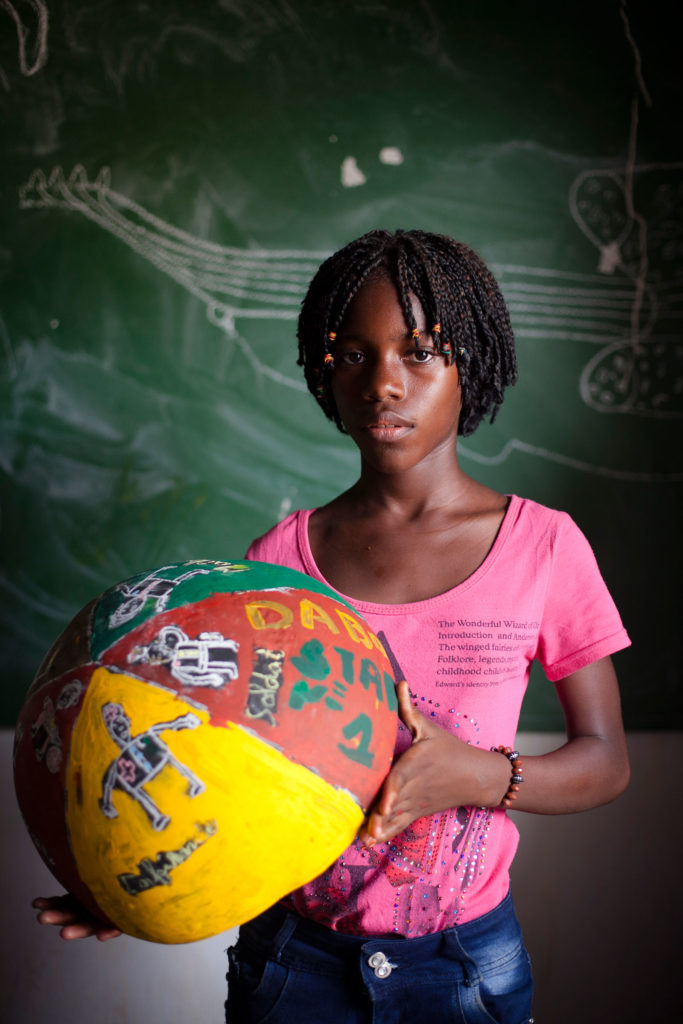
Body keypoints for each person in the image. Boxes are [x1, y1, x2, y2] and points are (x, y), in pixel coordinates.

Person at [34, 229, 631, 1023]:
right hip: (291, 962)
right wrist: (145, 882)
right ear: (326, 373)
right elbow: (233, 770)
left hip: (459, 968)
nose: (384, 383)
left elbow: (606, 763)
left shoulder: (541, 546)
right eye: (353, 355)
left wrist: (480, 776)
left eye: (419, 352)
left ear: (470, 365)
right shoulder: (277, 562)